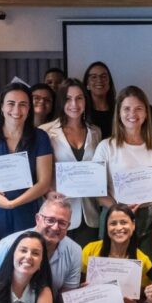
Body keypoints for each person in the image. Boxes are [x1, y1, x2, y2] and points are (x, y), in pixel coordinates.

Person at [93, 86, 152, 259]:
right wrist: (119, 209)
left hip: (150, 217)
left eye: (138, 109)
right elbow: (96, 191)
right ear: (119, 113)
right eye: (127, 109)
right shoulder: (105, 147)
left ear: (146, 113)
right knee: (113, 268)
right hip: (114, 215)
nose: (133, 114)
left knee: (147, 267)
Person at [0, 83, 55, 245]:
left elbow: (44, 183)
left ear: (29, 108)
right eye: (11, 103)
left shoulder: (40, 137)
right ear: (1, 106)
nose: (16, 110)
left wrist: (12, 204)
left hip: (27, 214)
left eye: (23, 104)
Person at [39, 78, 103, 247]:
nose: (74, 104)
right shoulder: (45, 131)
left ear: (86, 101)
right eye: (68, 99)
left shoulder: (95, 132)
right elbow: (37, 172)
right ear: (61, 102)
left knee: (85, 261)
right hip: (57, 212)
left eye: (79, 98)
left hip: (89, 213)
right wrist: (47, 193)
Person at [84, 60, 116, 138]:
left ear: (109, 82)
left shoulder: (119, 108)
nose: (99, 80)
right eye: (94, 77)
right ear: (87, 84)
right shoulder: (82, 110)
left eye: (103, 76)